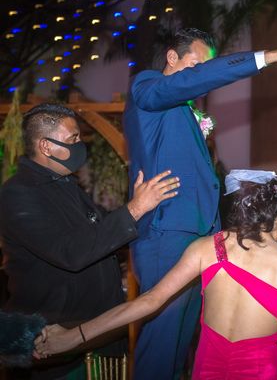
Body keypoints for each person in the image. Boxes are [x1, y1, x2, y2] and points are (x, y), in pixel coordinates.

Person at [123, 29, 277, 379]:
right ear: (172, 59)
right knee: (162, 343)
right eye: (196, 64)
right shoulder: (147, 87)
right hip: (169, 229)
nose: (200, 74)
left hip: (197, 235)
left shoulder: (181, 108)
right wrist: (266, 57)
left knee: (182, 345)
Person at [34, 170, 277, 380]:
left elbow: (148, 301)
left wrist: (73, 337)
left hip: (208, 366)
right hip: (261, 371)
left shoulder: (206, 248)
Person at [0, 103, 178, 379]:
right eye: (73, 139)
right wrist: (134, 209)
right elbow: (70, 252)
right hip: (54, 342)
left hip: (92, 334)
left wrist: (144, 210)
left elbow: (102, 230)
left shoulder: (65, 184)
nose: (80, 144)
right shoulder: (18, 193)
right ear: (46, 146)